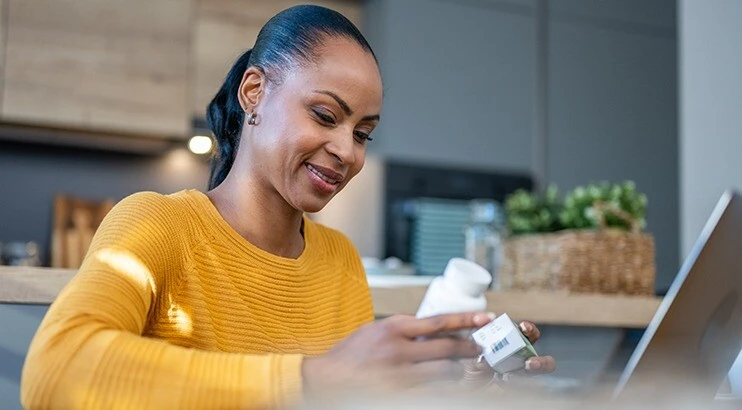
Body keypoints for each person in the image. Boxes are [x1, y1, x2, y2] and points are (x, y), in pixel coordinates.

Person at [21, 5, 555, 409]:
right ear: (255, 92)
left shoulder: (339, 258)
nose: (347, 151)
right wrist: (310, 377)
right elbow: (54, 370)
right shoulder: (159, 224)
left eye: (363, 133)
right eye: (325, 115)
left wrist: (452, 386)